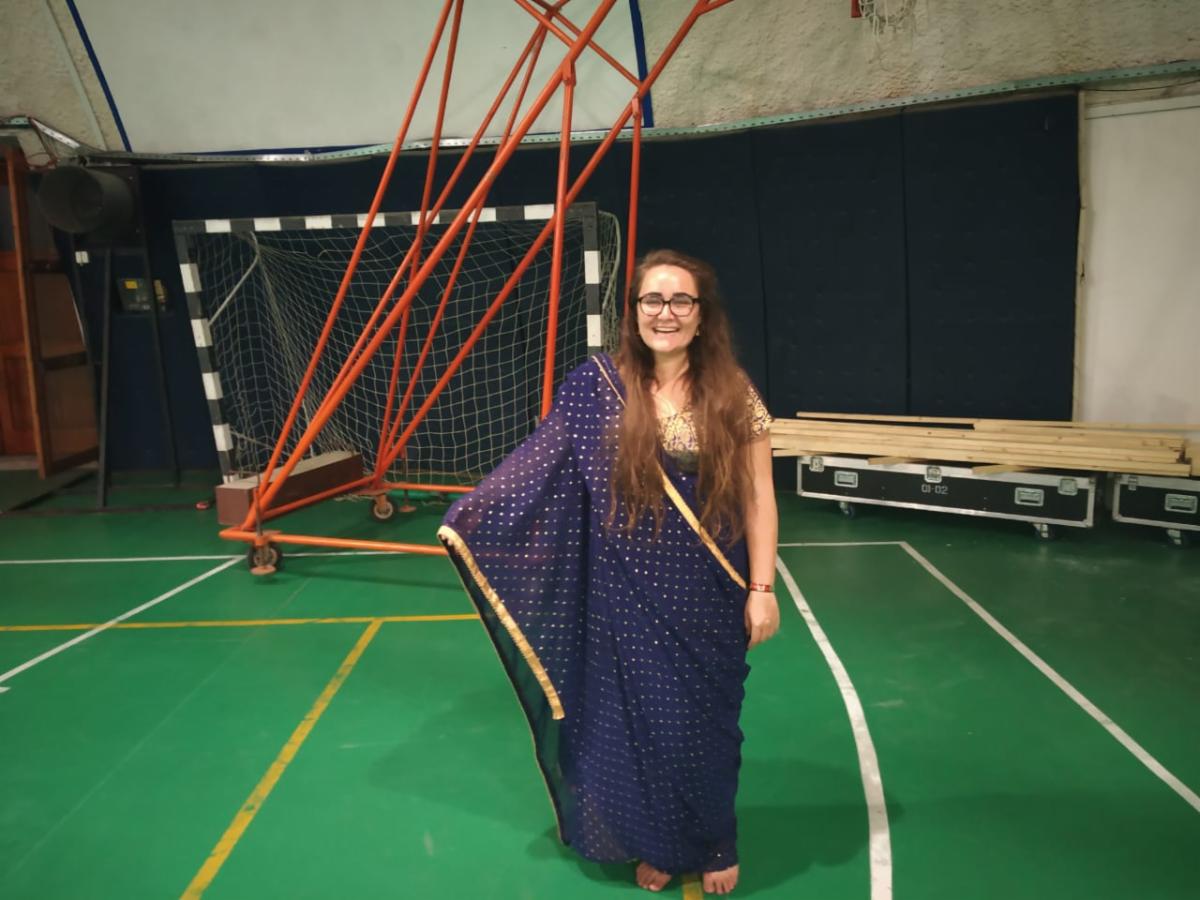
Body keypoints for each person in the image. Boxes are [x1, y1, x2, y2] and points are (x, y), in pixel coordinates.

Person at [438, 248, 779, 895]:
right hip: (626, 594)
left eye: (681, 301)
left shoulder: (733, 392)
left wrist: (762, 588)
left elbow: (760, 495)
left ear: (701, 316)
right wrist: (472, 517)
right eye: (652, 300)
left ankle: (715, 841)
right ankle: (658, 842)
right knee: (639, 726)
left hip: (710, 590)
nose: (665, 313)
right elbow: (537, 471)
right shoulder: (596, 387)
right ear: (634, 311)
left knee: (705, 728)